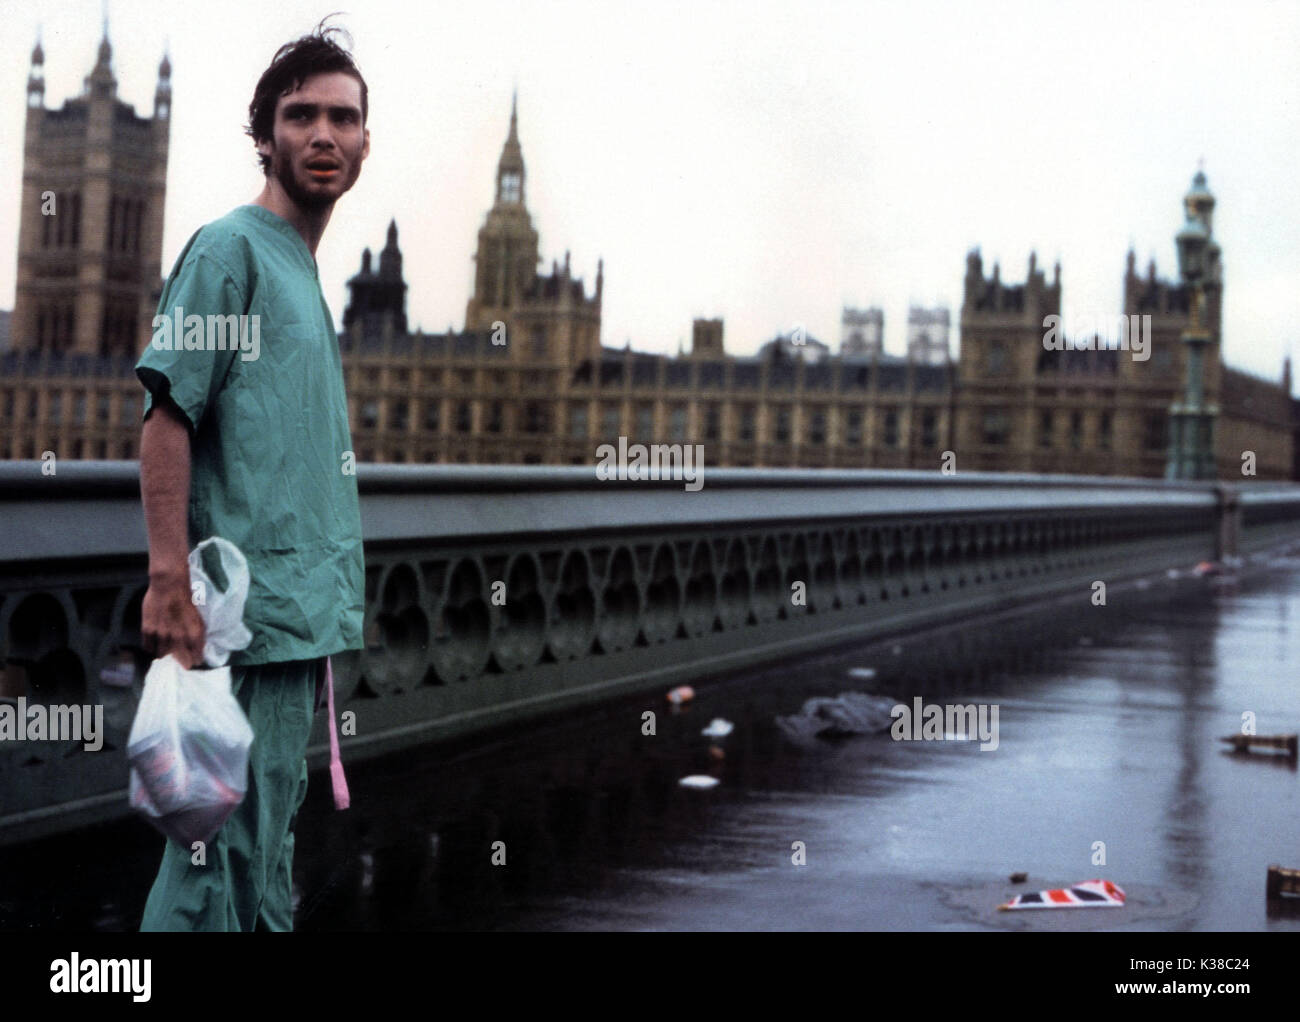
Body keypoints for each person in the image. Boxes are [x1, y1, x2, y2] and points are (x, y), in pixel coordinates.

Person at [134, 20, 369, 931]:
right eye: (300, 115)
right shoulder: (230, 250)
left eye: (341, 118)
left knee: (265, 868)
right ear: (264, 135)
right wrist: (166, 580)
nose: (323, 134)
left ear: (361, 144)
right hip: (236, 623)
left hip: (292, 626)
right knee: (211, 871)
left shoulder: (301, 269)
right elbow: (167, 414)